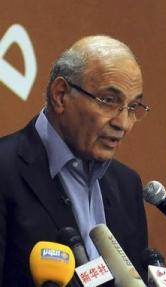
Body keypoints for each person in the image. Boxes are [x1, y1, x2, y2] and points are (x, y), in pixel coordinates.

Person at [0, 35, 150, 286]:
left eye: (133, 107)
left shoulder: (127, 185)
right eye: (109, 101)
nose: (123, 123)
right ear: (60, 95)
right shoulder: (4, 170)